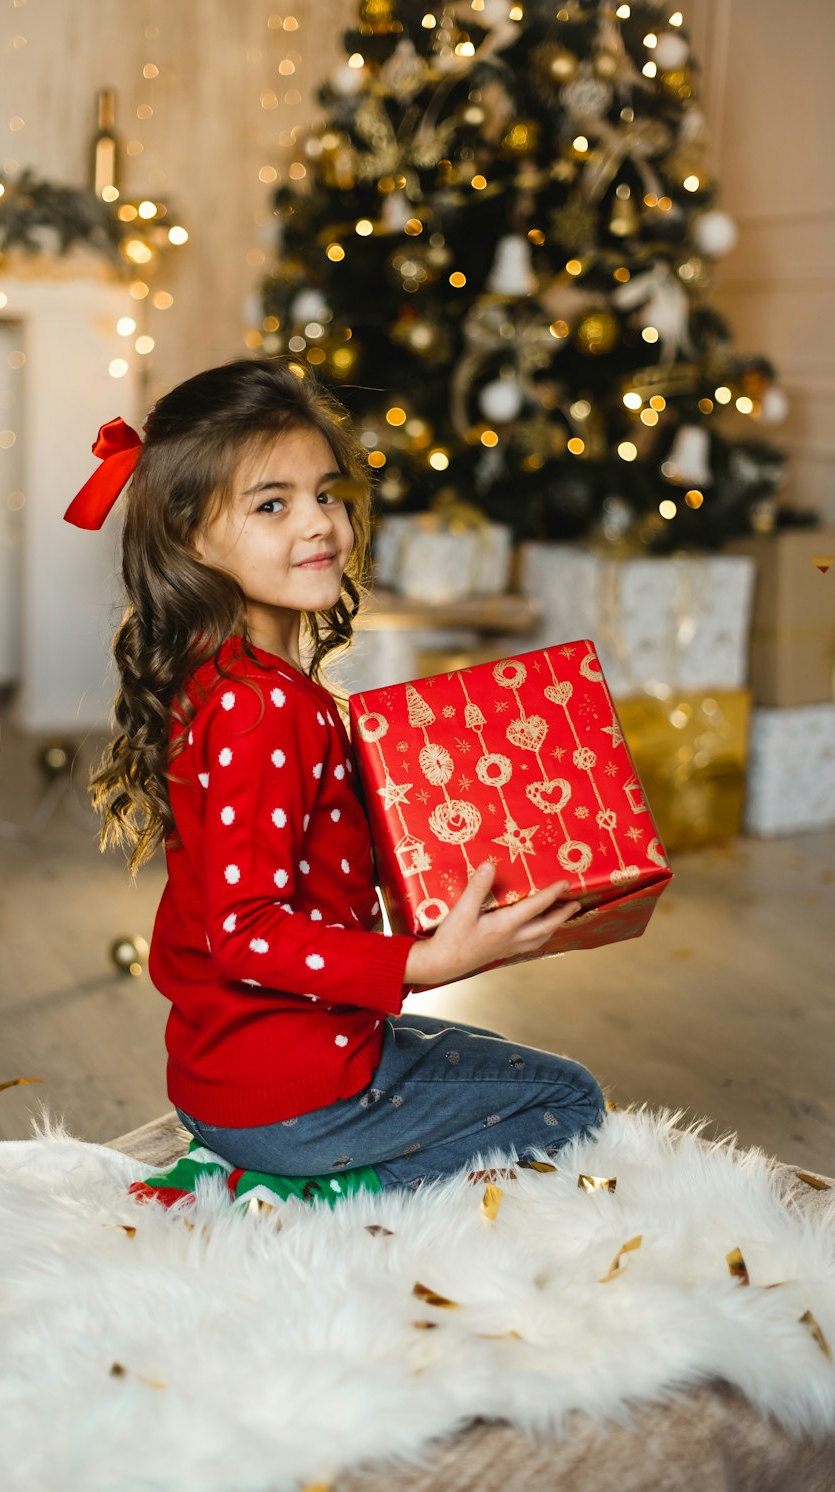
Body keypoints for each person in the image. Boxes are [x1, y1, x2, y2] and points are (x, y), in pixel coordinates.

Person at [69, 356, 605, 1192]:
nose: (319, 523)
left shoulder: (231, 679)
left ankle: (281, 1155)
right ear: (188, 535)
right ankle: (319, 1197)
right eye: (272, 504)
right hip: (290, 1100)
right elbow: (245, 932)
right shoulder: (264, 709)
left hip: (235, 1077)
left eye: (327, 494)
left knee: (490, 1061)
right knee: (569, 1099)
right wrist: (421, 967)